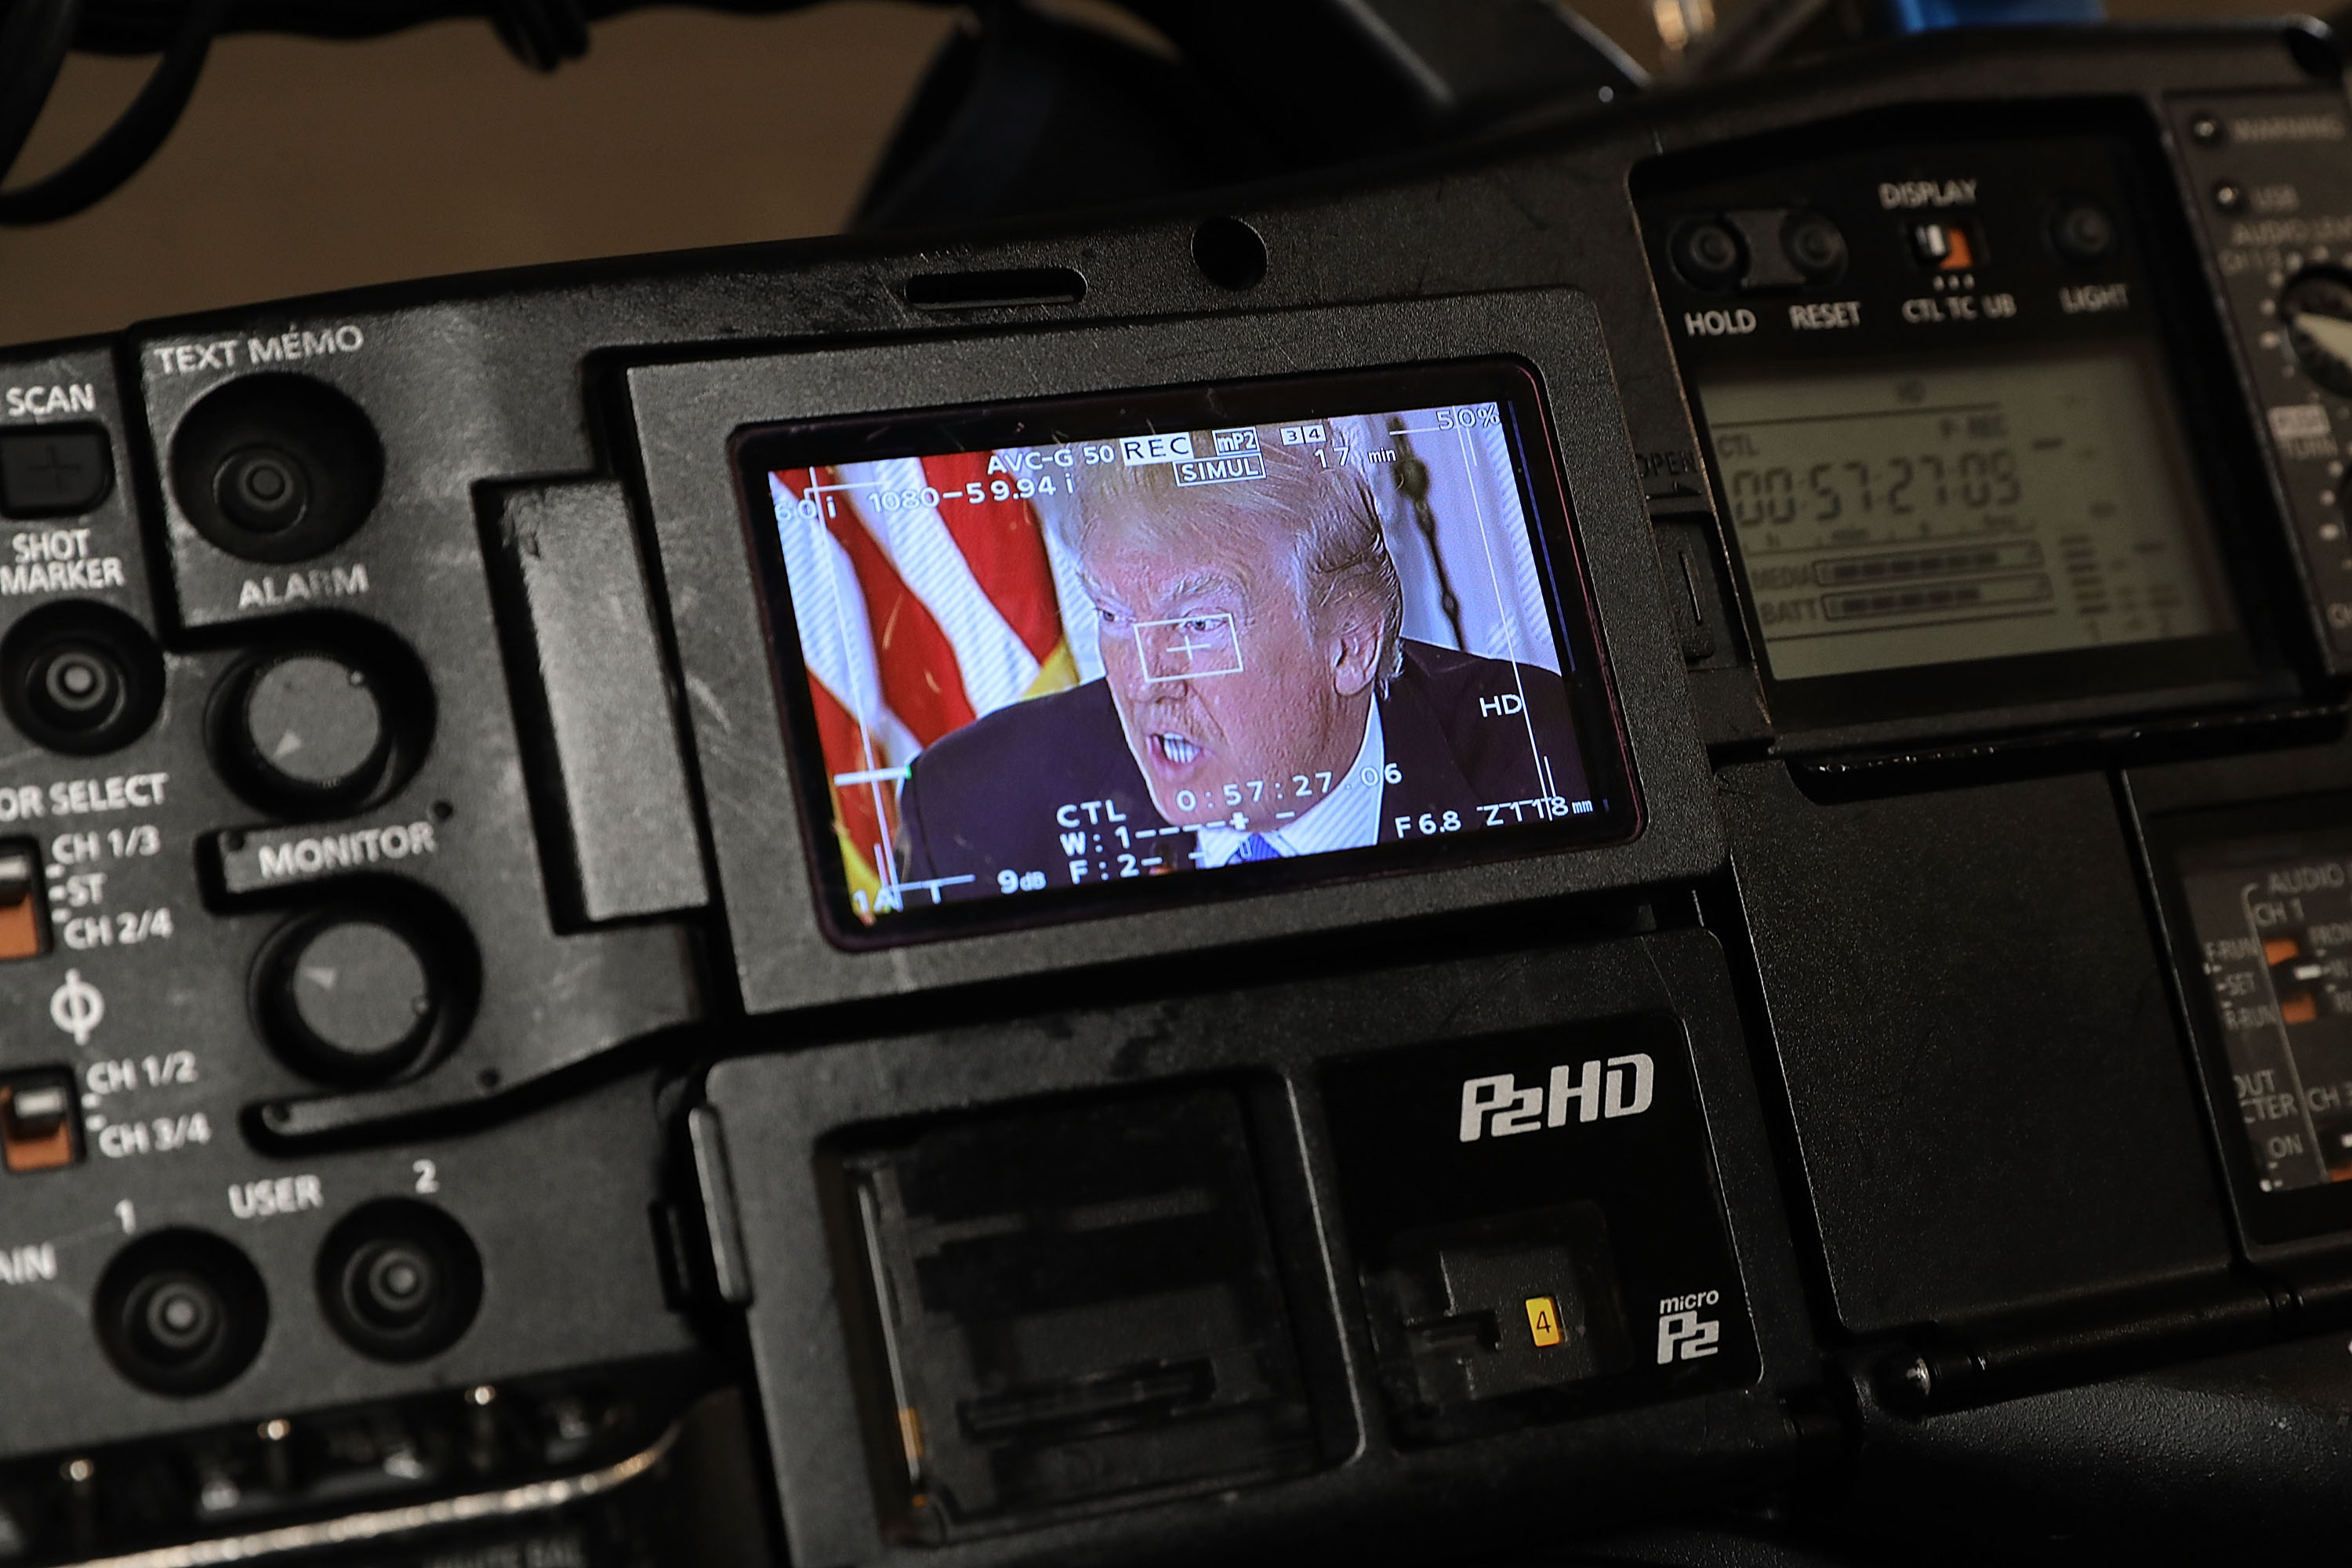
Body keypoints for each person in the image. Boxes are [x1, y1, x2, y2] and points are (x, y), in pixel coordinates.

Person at [891, 436, 1588, 902]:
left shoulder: (1550, 755)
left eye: (1197, 625)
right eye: (1113, 616)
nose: (1143, 682)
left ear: (1350, 646)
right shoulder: (971, 810)